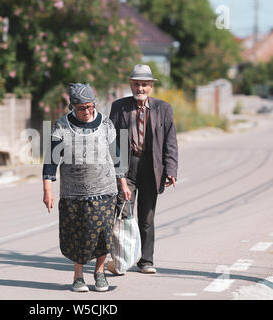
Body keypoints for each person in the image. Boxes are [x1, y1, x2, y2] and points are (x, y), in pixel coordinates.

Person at [42, 83, 131, 292]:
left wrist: (123, 184)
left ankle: (99, 273)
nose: (87, 112)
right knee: (77, 235)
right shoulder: (61, 126)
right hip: (74, 193)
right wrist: (47, 189)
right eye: (82, 108)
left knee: (103, 234)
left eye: (90, 107)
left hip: (105, 190)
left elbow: (117, 156)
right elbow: (51, 160)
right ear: (72, 106)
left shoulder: (106, 124)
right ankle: (78, 276)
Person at [109, 64, 178, 274]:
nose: (140, 88)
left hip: (151, 167)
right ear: (131, 85)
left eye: (144, 85)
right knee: (123, 214)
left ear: (151, 87)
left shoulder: (163, 109)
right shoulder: (119, 107)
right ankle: (122, 259)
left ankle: (146, 260)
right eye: (137, 84)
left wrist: (171, 169)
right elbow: (111, 140)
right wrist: (114, 169)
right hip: (127, 168)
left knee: (146, 217)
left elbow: (170, 141)